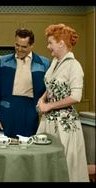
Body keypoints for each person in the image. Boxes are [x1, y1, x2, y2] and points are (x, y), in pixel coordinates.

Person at [36, 23, 89, 182]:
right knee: (44, 161)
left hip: (65, 124)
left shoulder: (74, 66)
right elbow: (52, 83)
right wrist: (43, 97)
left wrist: (49, 106)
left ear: (61, 43)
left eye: (50, 42)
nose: (48, 46)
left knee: (64, 163)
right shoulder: (54, 62)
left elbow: (76, 97)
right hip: (48, 120)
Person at [0, 28, 50, 138]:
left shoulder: (43, 63)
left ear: (32, 46)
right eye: (17, 45)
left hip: (31, 113)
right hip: (7, 112)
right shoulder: (4, 61)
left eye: (24, 47)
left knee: (29, 149)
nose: (19, 49)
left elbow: (48, 91)